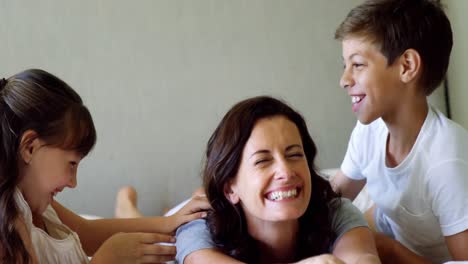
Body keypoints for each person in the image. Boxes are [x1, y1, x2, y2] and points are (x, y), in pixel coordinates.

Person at [0, 69, 209, 263]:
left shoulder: (37, 204)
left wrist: (169, 223)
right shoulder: (8, 227)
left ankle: (127, 206)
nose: (73, 182)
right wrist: (107, 259)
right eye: (71, 163)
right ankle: (126, 205)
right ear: (30, 148)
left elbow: (87, 231)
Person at [331, 0, 468, 263]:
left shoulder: (445, 162)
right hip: (387, 231)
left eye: (357, 65)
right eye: (345, 65)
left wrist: (390, 249)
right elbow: (333, 199)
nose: (344, 80)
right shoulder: (369, 131)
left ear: (406, 66)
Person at [171, 96, 380, 263]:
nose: (286, 172)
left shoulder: (336, 212)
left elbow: (362, 258)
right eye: (263, 160)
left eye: (294, 155)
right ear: (230, 189)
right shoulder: (198, 226)